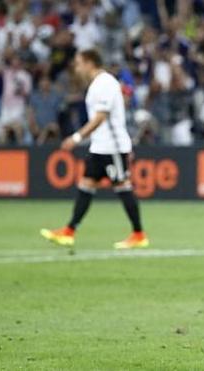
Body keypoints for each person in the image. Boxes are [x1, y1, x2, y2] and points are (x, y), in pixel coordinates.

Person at [40, 49, 148, 250]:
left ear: (90, 62)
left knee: (123, 186)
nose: (77, 67)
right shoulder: (97, 84)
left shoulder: (105, 82)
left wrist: (77, 137)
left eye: (79, 63)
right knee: (86, 185)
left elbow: (100, 117)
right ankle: (69, 231)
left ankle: (139, 234)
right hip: (100, 146)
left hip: (112, 146)